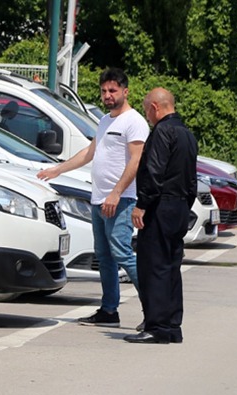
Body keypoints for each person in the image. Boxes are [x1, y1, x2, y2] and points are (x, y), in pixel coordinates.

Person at [37, 68, 149, 327]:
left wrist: (116, 193)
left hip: (120, 200)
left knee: (122, 253)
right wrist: (58, 169)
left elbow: (136, 161)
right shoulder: (105, 121)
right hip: (99, 200)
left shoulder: (134, 122)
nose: (107, 95)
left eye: (112, 90)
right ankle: (109, 311)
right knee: (104, 256)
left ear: (125, 91)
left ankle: (154, 309)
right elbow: (90, 153)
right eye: (104, 91)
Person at [125, 88, 197, 344]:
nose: (147, 116)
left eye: (146, 111)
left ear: (155, 107)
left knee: (153, 266)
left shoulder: (162, 133)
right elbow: (191, 179)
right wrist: (184, 205)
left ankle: (156, 326)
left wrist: (141, 205)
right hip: (179, 206)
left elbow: (154, 173)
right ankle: (172, 326)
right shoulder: (187, 134)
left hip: (160, 206)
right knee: (171, 267)